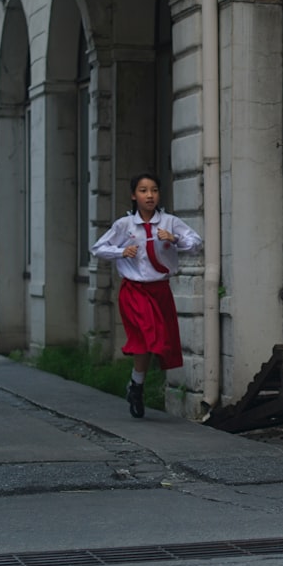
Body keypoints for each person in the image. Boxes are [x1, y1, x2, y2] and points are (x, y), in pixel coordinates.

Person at [90, 173, 203, 418]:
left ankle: (135, 386)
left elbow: (196, 242)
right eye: (143, 190)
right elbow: (98, 248)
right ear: (134, 195)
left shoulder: (170, 222)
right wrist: (121, 252)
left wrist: (174, 239)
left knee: (158, 343)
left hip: (160, 290)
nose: (149, 195)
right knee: (146, 338)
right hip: (134, 290)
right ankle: (138, 388)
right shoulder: (125, 225)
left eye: (153, 190)